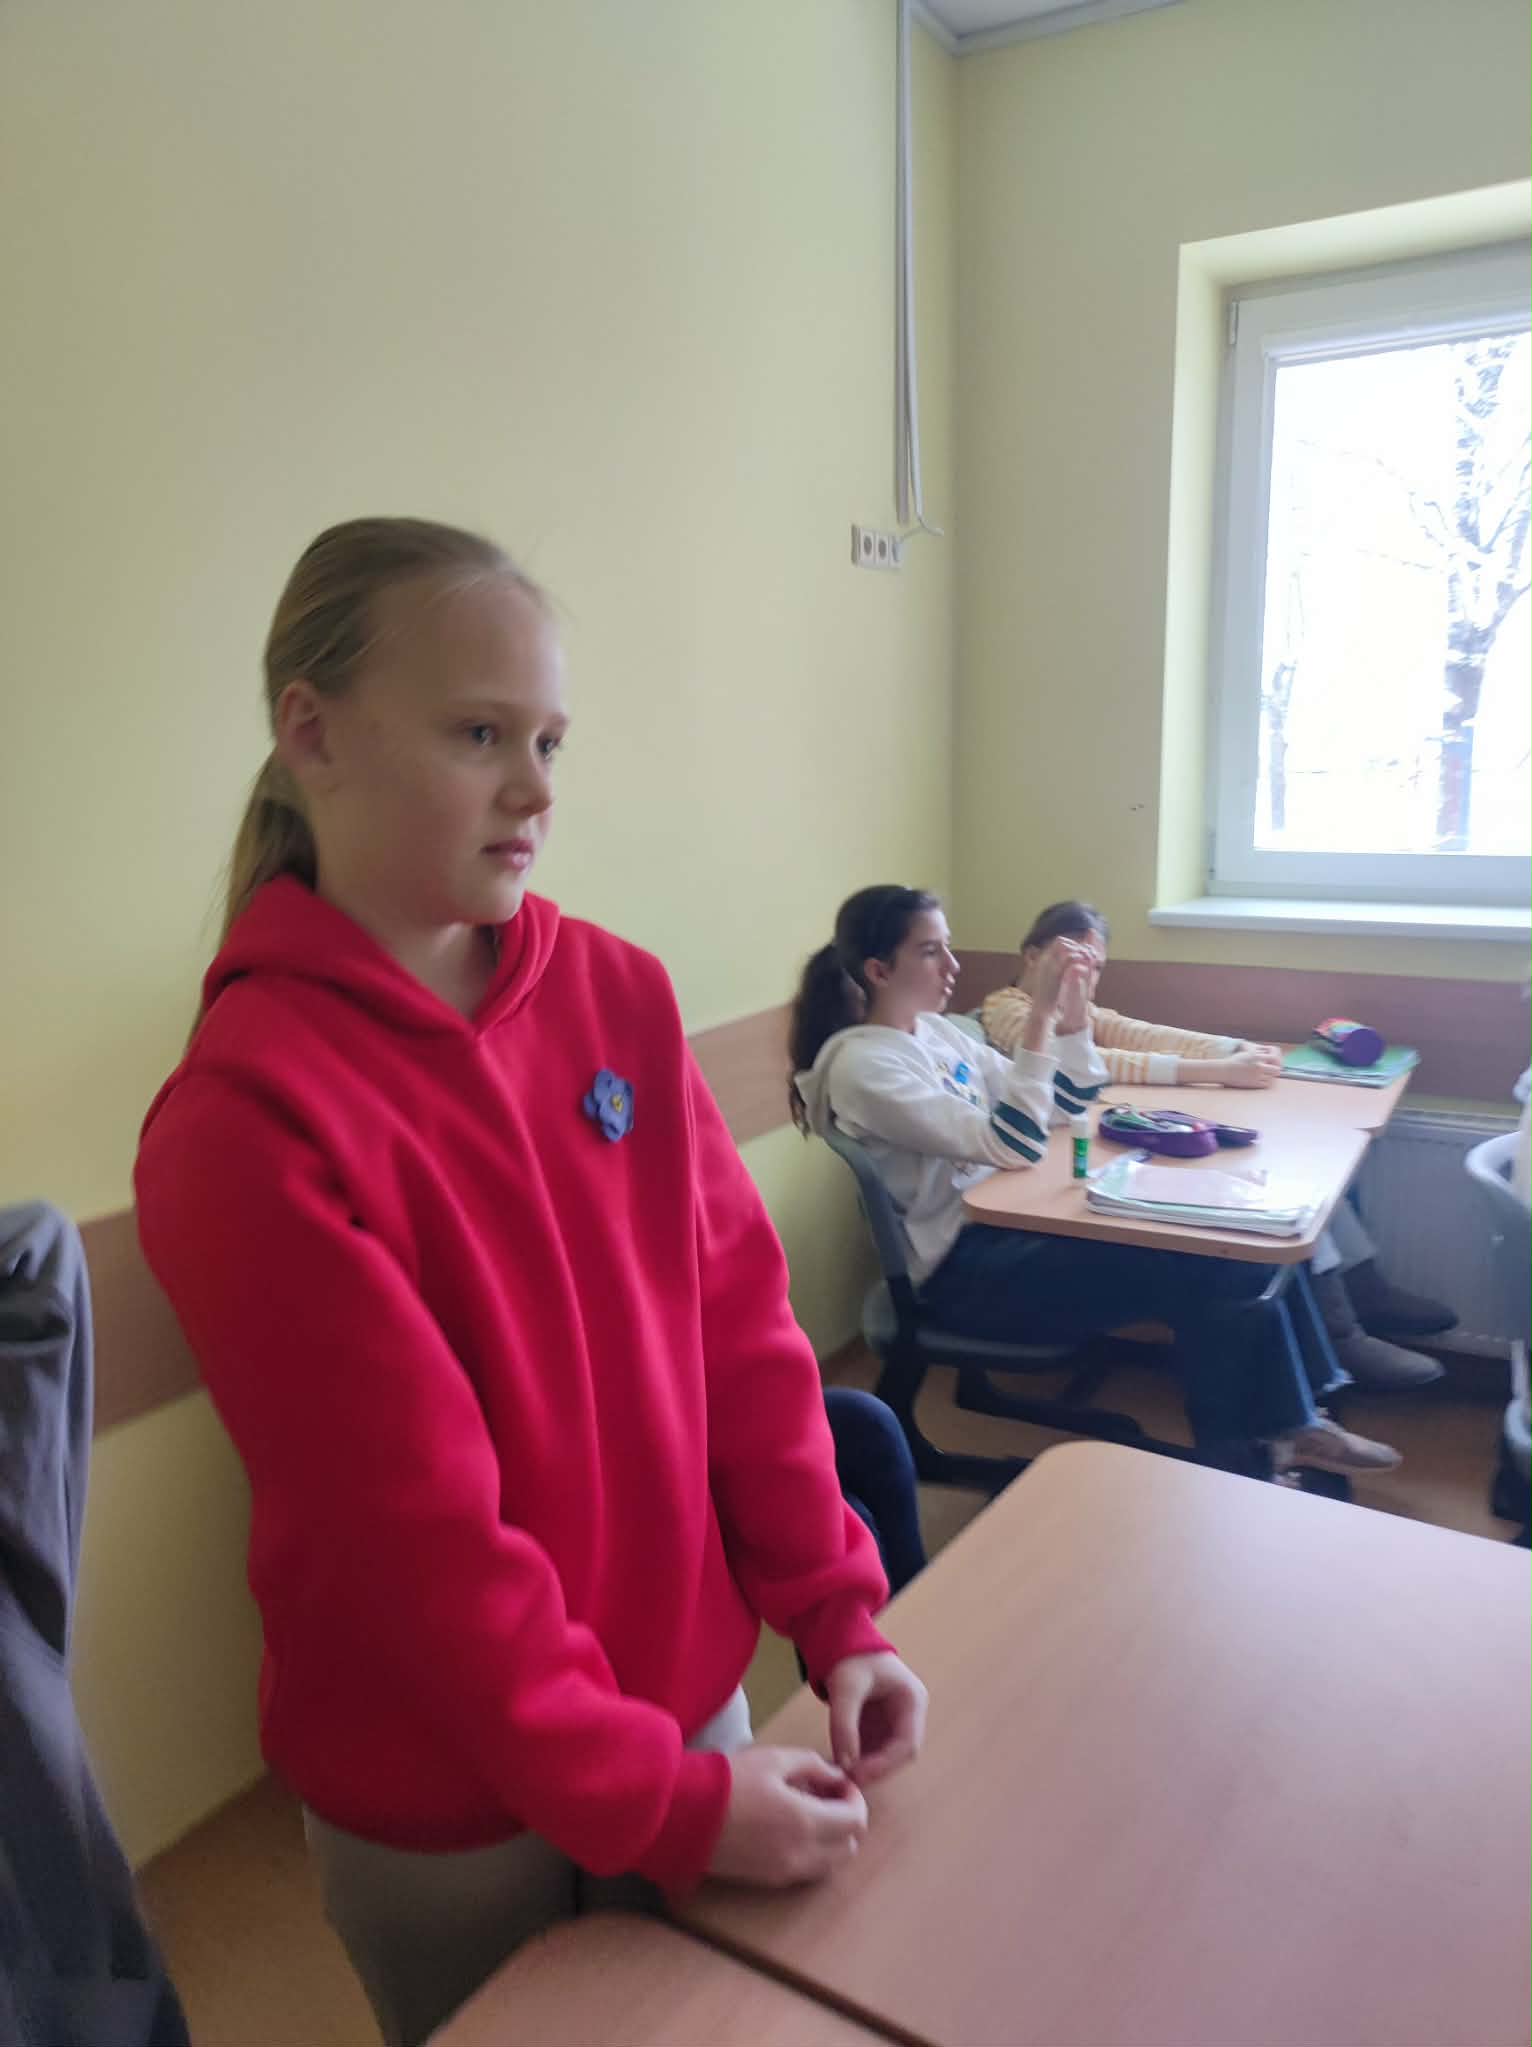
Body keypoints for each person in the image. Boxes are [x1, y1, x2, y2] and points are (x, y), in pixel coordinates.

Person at [134, 519, 926, 2047]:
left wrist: (842, 1615)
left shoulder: (618, 991)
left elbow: (746, 1343)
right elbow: (415, 1544)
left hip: (685, 1706)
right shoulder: (245, 1116)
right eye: (479, 734)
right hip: (447, 1805)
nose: (536, 787)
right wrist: (665, 1801)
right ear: (312, 731)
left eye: (549, 739)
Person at [790, 885, 1403, 1479]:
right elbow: (1014, 1142)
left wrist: (1074, 1019)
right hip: (963, 1273)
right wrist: (1041, 1018)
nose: (952, 964)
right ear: (878, 970)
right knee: (1212, 1270)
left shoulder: (938, 1033)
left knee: (1241, 1251)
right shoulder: (864, 1067)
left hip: (999, 1229)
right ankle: (1253, 1454)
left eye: (948, 946)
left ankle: (1291, 1426)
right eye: (930, 951)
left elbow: (1065, 1104)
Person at [980, 901, 1455, 1391]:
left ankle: (1359, 1289)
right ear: (1032, 956)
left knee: (1312, 1166)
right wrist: (1217, 1070)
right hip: (1051, 1165)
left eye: (1094, 968)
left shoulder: (1078, 1009)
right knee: (1262, 1186)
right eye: (1070, 961)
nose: (1083, 977)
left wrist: (1233, 1048)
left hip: (1081, 1140)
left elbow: (1138, 1035)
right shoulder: (1007, 1008)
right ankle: (1341, 1331)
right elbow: (1097, 1063)